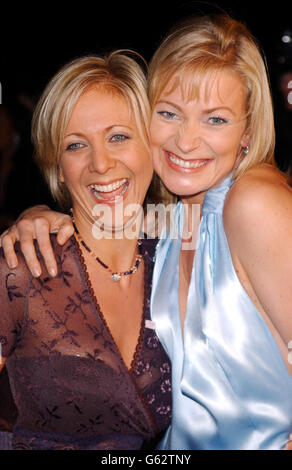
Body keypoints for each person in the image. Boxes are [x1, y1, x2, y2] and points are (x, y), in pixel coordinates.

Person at [2, 14, 292, 450]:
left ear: (248, 131)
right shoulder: (171, 226)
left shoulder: (246, 205)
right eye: (171, 114)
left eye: (215, 119)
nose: (187, 141)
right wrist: (35, 214)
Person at [0, 51, 172, 450]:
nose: (100, 163)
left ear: (152, 146)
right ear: (58, 167)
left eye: (118, 137)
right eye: (76, 145)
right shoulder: (24, 269)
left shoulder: (180, 261)